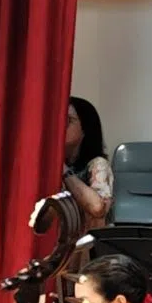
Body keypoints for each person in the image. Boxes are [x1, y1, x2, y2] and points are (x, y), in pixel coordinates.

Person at [62, 95, 114, 228]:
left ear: (85, 129)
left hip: (94, 244)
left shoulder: (98, 164)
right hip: (67, 243)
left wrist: (64, 171)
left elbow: (98, 208)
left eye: (68, 120)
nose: (60, 126)